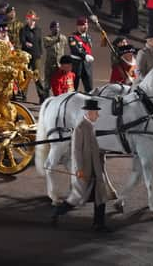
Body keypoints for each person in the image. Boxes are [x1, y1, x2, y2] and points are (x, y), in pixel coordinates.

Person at [51, 98, 108, 232]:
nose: (98, 115)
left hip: (95, 168)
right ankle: (57, 212)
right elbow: (76, 151)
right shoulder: (80, 128)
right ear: (89, 112)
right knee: (76, 198)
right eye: (96, 113)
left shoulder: (90, 126)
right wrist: (79, 170)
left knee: (101, 195)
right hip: (85, 170)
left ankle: (99, 224)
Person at [20, 11, 46, 102]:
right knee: (25, 75)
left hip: (36, 55)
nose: (33, 21)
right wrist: (26, 43)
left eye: (34, 20)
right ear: (28, 20)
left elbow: (39, 42)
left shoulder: (38, 29)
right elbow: (22, 40)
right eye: (31, 20)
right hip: (26, 56)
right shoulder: (23, 30)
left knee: (36, 75)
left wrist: (40, 53)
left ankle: (41, 95)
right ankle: (22, 94)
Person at [69, 17, 94, 92]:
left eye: (86, 24)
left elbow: (89, 48)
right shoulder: (72, 38)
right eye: (83, 25)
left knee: (89, 87)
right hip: (76, 64)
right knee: (73, 87)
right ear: (78, 26)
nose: (86, 26)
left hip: (87, 65)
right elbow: (75, 49)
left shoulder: (88, 37)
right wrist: (85, 55)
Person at [43, 21, 69, 95]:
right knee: (47, 84)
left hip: (60, 65)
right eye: (55, 27)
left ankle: (59, 99)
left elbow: (66, 41)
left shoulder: (62, 38)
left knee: (61, 83)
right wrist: (57, 39)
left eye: (58, 27)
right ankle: (45, 99)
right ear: (51, 28)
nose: (57, 29)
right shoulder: (47, 38)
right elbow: (49, 42)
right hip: (50, 65)